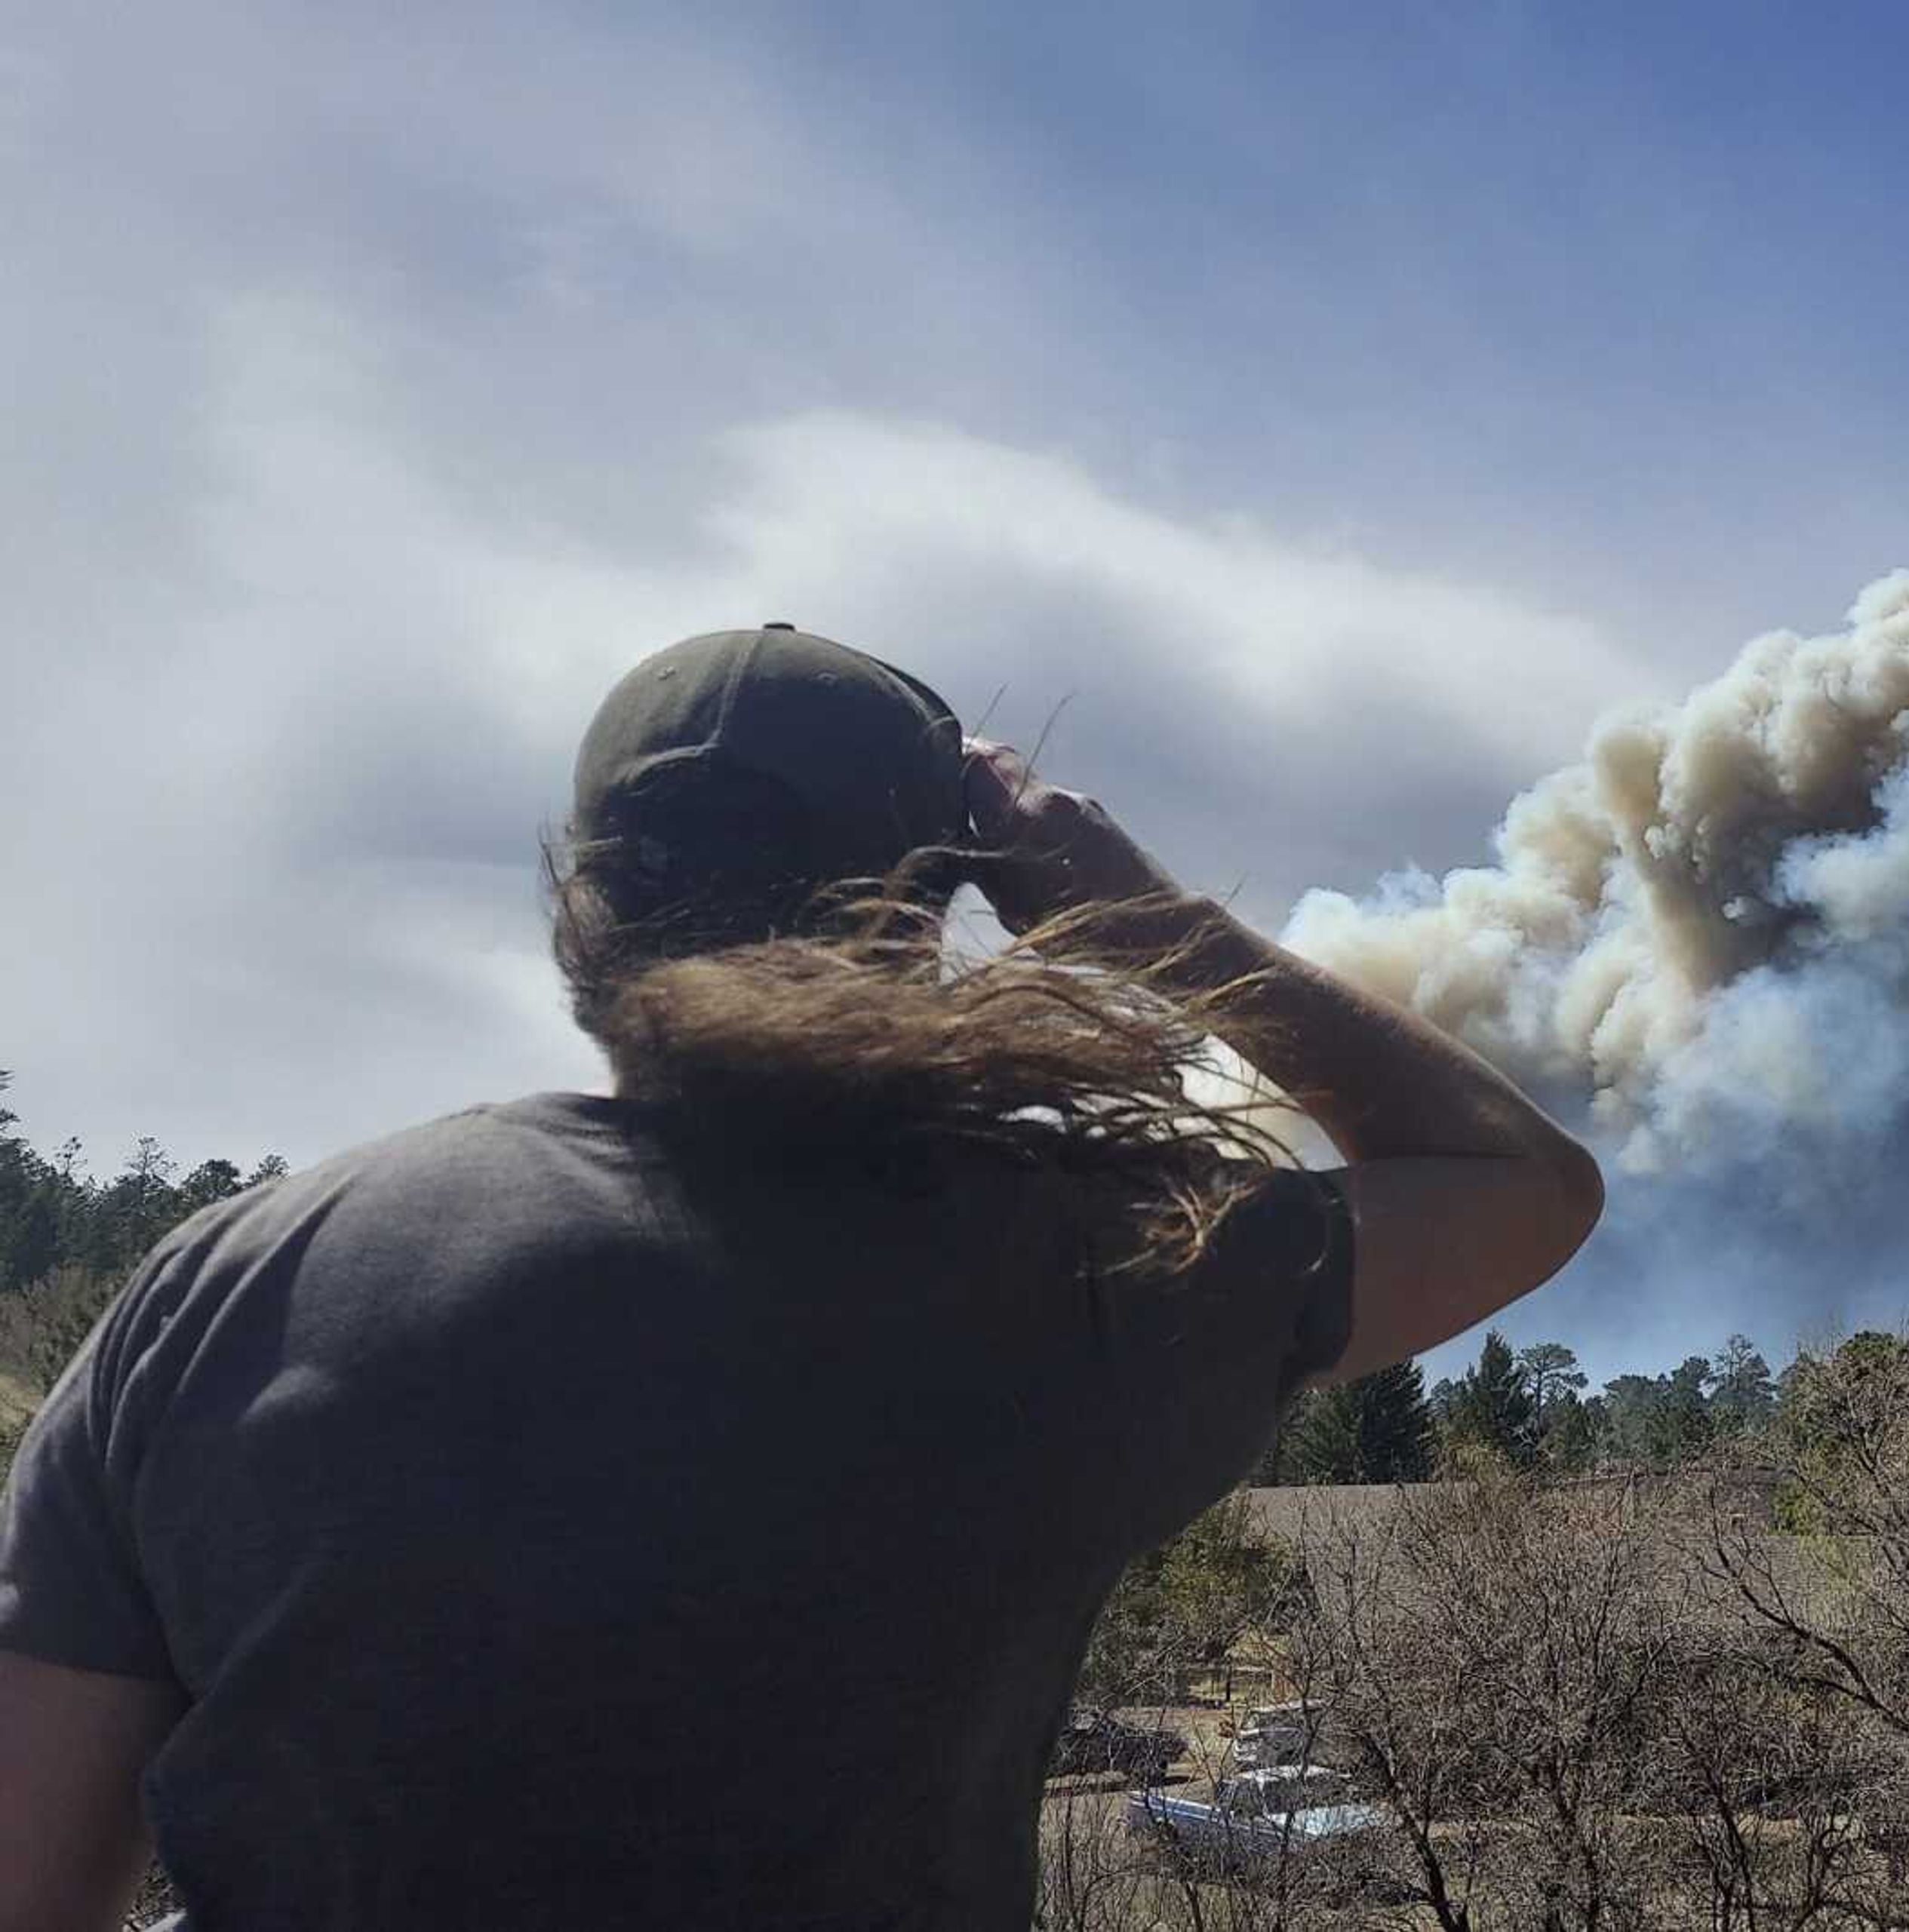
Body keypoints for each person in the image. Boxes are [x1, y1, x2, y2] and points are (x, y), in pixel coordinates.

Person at [0, 625, 1603, 1930]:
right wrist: (1142, 921)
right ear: (931, 919)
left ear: (583, 906)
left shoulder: (220, 1290)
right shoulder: (1086, 1272)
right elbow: (1520, 1190)